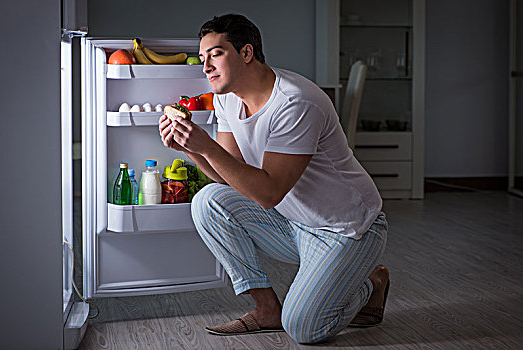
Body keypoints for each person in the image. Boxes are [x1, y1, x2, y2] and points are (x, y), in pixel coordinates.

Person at [158, 13, 389, 344]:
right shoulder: (227, 97)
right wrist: (189, 148)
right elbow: (228, 176)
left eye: (216, 54)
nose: (206, 66)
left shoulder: (295, 102)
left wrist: (206, 145)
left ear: (247, 53)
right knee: (208, 201)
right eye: (203, 57)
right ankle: (266, 309)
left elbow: (268, 194)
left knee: (305, 329)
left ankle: (371, 282)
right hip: (295, 223)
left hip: (346, 229)